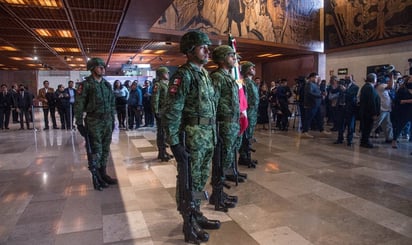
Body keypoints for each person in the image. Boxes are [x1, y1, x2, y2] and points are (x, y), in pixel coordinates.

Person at [164, 30, 220, 244]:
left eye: (208, 46)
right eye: (202, 46)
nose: (207, 50)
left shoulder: (204, 74)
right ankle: (188, 219)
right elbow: (173, 111)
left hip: (207, 135)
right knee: (188, 180)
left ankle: (196, 212)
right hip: (193, 136)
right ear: (189, 50)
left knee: (200, 180)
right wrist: (175, 143)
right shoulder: (183, 75)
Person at [74, 57, 118, 191]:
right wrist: (79, 122)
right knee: (95, 150)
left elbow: (111, 103)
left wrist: (113, 119)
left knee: (105, 149)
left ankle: (103, 173)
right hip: (94, 121)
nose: (103, 69)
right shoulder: (85, 85)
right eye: (100, 67)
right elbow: (79, 104)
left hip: (107, 121)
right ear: (92, 68)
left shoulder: (106, 84)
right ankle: (96, 176)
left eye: (103, 67)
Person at [209, 45, 240, 209]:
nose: (234, 58)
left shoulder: (228, 76)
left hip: (232, 124)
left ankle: (220, 192)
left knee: (226, 160)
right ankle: (216, 195)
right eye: (230, 55)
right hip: (223, 125)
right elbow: (212, 103)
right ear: (221, 58)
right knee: (220, 161)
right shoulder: (217, 77)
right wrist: (216, 129)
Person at [238, 61, 259, 168]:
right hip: (248, 112)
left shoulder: (252, 82)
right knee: (246, 135)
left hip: (253, 112)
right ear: (246, 70)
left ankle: (247, 155)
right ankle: (244, 156)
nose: (254, 70)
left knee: (249, 135)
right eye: (251, 68)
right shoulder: (245, 82)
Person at [152, 66, 174, 161]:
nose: (168, 74)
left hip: (168, 112)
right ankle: (161, 153)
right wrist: (156, 111)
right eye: (166, 73)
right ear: (161, 74)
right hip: (161, 112)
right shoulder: (158, 85)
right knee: (161, 133)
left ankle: (165, 151)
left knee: (166, 133)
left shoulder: (168, 84)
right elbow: (155, 99)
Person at [301, 72, 330, 138]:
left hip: (316, 104)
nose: (317, 79)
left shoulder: (315, 84)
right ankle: (304, 132)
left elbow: (317, 92)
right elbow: (309, 93)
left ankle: (322, 130)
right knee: (308, 118)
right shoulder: (309, 84)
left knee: (319, 118)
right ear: (312, 77)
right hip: (311, 105)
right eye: (316, 78)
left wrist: (322, 93)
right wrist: (320, 96)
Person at [333, 76, 359, 146]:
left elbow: (351, 95)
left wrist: (345, 90)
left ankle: (349, 140)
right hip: (341, 108)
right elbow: (333, 91)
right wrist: (336, 85)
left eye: (348, 78)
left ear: (352, 79)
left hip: (350, 109)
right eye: (346, 78)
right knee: (341, 125)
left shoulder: (355, 87)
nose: (347, 79)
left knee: (350, 125)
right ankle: (340, 139)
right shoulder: (342, 85)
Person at [359, 73, 381, 148]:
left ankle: (364, 141)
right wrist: (374, 113)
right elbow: (371, 101)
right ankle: (365, 141)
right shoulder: (369, 87)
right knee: (367, 127)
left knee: (367, 127)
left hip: (366, 112)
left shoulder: (366, 87)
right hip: (368, 113)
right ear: (374, 79)